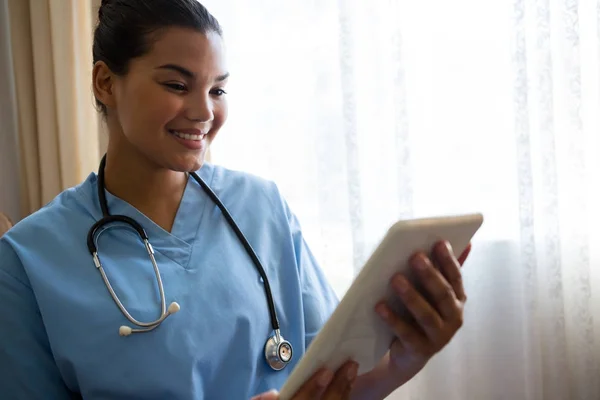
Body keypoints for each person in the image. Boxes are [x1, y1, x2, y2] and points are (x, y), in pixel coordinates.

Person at [0, 1, 472, 399]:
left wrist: (407, 357)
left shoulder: (262, 206)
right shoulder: (28, 259)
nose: (205, 112)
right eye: (177, 85)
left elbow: (333, 380)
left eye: (217, 89)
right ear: (106, 83)